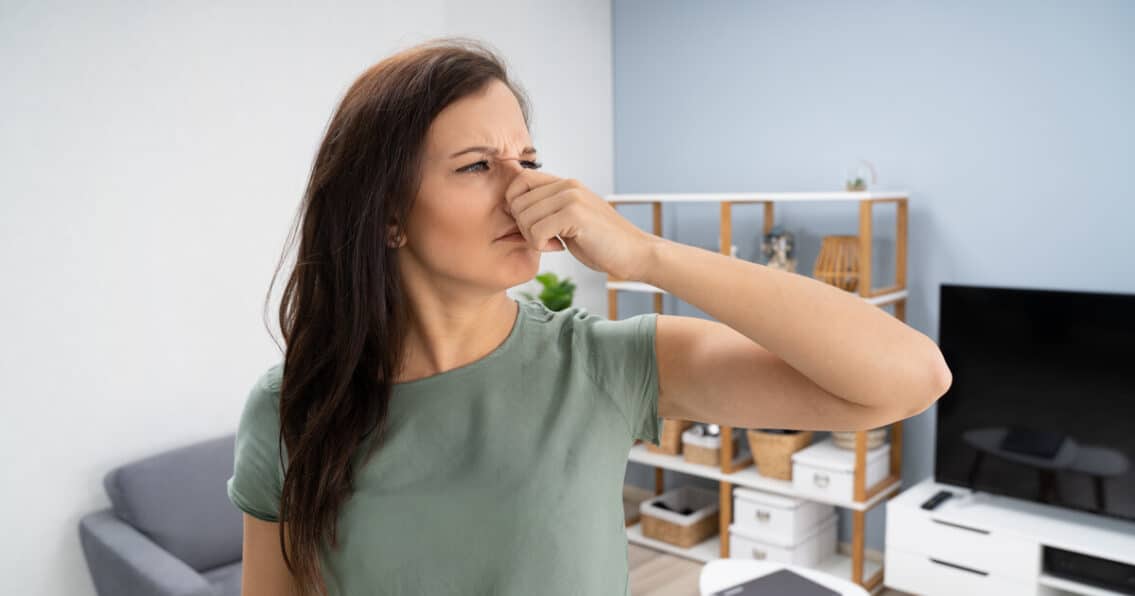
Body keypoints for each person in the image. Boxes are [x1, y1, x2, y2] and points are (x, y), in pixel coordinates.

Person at [227, 36, 952, 596]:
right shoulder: (291, 407)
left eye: (528, 160)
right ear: (388, 215)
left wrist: (648, 256)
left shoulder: (603, 364)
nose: (524, 191)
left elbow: (913, 377)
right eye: (477, 165)